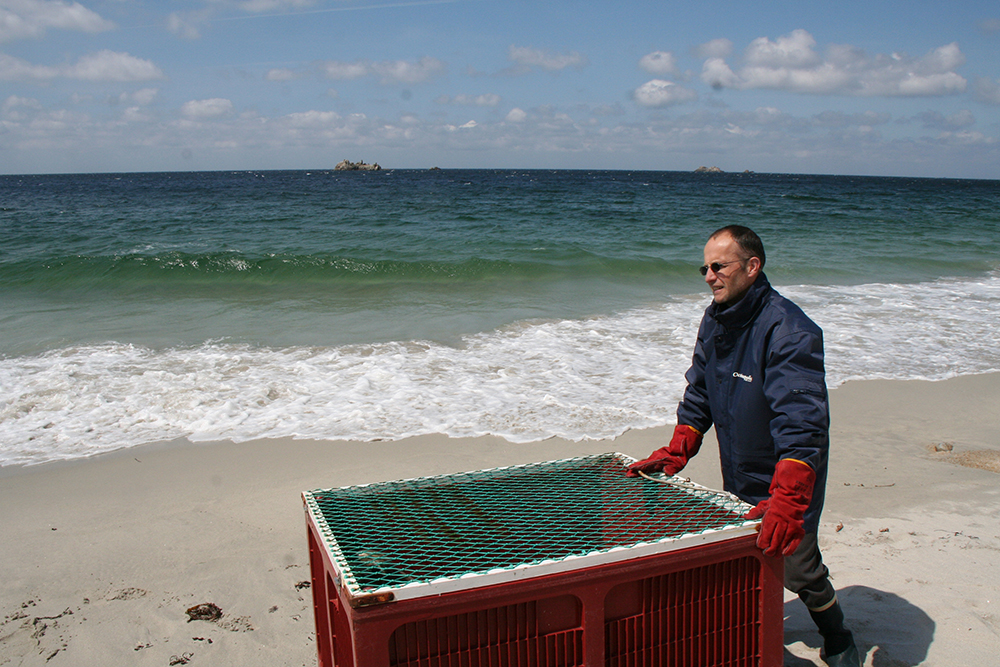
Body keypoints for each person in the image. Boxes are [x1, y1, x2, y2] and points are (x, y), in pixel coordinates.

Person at [627, 225, 862, 667]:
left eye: (719, 266)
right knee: (743, 557)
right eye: (704, 268)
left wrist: (789, 501)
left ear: (752, 267)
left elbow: (802, 423)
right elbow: (700, 391)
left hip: (787, 472)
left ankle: (837, 632)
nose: (709, 276)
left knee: (798, 566)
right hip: (738, 464)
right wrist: (678, 448)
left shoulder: (790, 330)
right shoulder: (715, 319)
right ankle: (750, 630)